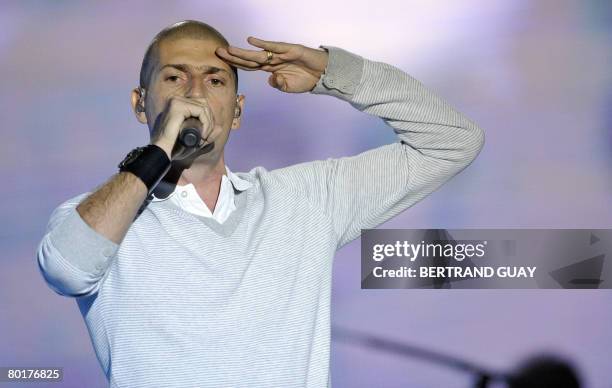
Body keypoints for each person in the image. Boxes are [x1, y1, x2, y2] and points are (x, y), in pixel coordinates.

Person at [37, 20, 484, 388]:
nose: (194, 93)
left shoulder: (306, 198)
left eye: (214, 80)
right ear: (140, 104)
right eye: (174, 77)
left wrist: (333, 73)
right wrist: (156, 154)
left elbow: (453, 142)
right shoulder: (103, 215)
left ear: (236, 110)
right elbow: (66, 270)